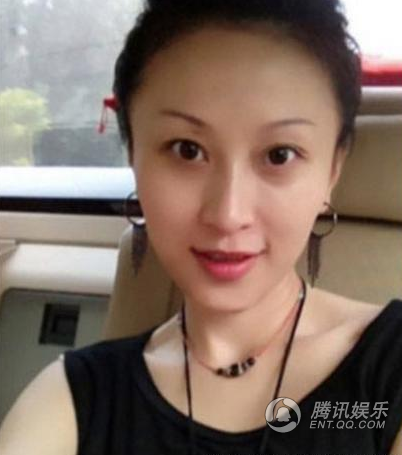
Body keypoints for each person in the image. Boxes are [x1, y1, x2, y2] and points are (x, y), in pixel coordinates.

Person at [0, 0, 401, 454]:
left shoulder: (384, 380)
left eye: (279, 155)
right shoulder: (71, 400)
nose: (228, 214)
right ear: (133, 155)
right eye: (187, 150)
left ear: (333, 169)